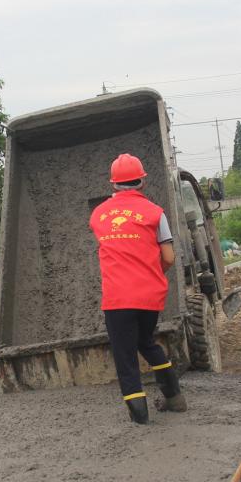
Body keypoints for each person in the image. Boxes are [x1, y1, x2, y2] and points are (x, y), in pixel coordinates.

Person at [89, 153, 186, 424]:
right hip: (149, 296)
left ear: (113, 184)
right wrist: (150, 273)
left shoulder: (98, 215)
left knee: (125, 355)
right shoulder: (156, 213)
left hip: (118, 298)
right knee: (146, 342)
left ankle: (140, 418)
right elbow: (168, 257)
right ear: (142, 181)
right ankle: (174, 397)